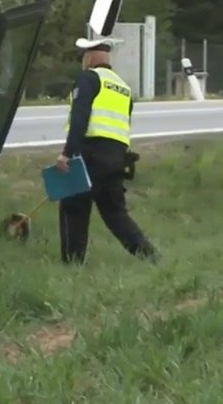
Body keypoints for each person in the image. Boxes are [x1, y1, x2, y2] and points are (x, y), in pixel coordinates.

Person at [55, 37, 160, 265]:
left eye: (84, 57)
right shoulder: (123, 87)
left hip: (88, 154)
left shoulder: (88, 78)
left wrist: (67, 153)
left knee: (73, 209)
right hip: (116, 158)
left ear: (90, 58)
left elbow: (79, 118)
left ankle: (72, 267)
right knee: (115, 213)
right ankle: (151, 258)